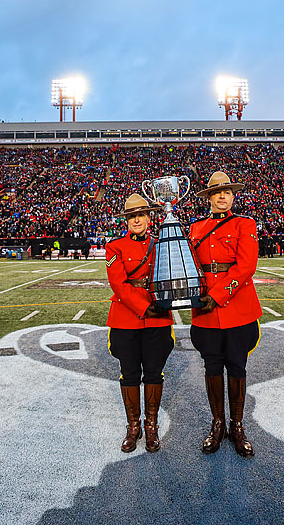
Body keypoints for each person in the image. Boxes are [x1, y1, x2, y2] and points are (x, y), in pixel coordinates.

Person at [189, 171, 263, 457]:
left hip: (236, 308)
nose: (222, 196)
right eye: (216, 192)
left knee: (237, 367)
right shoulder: (195, 228)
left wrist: (216, 296)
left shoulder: (245, 224)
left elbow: (246, 267)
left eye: (227, 192)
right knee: (211, 368)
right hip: (205, 311)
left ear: (233, 196)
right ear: (208, 197)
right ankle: (217, 424)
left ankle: (237, 425)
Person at [105, 193, 174, 453]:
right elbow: (119, 285)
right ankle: (133, 427)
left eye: (141, 215)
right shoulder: (115, 247)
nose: (137, 220)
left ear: (149, 218)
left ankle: (151, 427)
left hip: (157, 319)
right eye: (132, 216)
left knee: (154, 373)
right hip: (127, 318)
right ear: (127, 221)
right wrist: (146, 307)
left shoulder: (160, 244)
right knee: (130, 373)